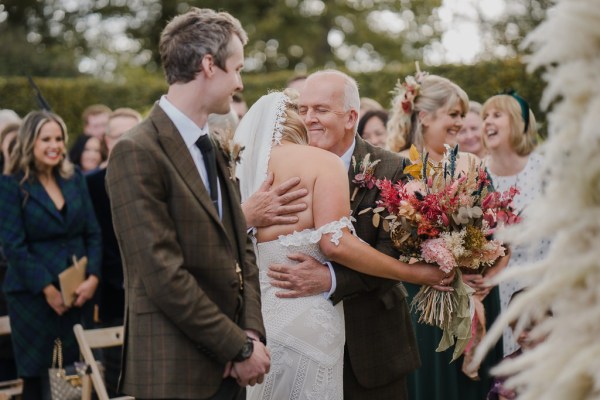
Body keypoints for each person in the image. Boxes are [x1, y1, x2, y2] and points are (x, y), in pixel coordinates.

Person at [257, 70, 453, 400]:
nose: (308, 119)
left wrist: (331, 279)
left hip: (371, 346)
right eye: (303, 109)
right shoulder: (277, 167)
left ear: (351, 117)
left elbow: (396, 252)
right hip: (297, 340)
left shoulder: (394, 168)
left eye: (320, 110)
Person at [105, 8, 269, 399]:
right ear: (208, 65)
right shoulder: (137, 150)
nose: (240, 82)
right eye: (236, 69)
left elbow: (240, 246)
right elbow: (163, 274)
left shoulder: (211, 146)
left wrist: (250, 330)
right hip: (174, 370)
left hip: (230, 372)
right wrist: (238, 346)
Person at [385, 71, 506, 400]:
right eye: (453, 115)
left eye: (463, 116)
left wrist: (481, 268)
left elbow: (492, 229)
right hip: (421, 298)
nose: (461, 124)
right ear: (424, 116)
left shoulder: (471, 165)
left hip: (474, 295)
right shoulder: (395, 167)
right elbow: (388, 240)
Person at [0, 110, 102, 399]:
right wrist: (47, 289)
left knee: (77, 377)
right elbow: (13, 246)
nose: (54, 145)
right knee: (40, 382)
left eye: (59, 138)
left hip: (78, 294)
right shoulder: (11, 185)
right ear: (29, 142)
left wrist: (93, 277)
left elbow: (93, 233)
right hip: (33, 300)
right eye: (46, 139)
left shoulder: (75, 178)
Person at [481, 92, 549, 357]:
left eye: (497, 115)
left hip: (542, 291)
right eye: (485, 115)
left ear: (520, 124)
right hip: (493, 295)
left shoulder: (546, 170)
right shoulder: (476, 175)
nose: (487, 121)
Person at [86, 107, 141, 396]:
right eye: (118, 135)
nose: (125, 141)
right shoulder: (91, 184)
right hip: (110, 292)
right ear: (107, 140)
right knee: (113, 376)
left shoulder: (152, 177)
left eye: (132, 133)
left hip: (150, 291)